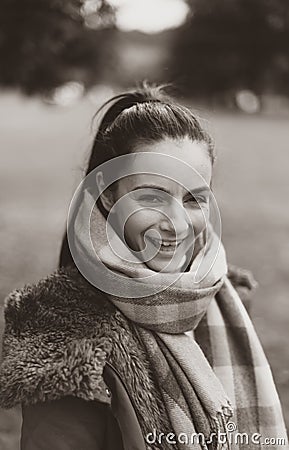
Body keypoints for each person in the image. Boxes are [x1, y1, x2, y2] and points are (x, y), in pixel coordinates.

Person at [0, 84, 287, 450]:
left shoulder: (224, 296)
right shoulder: (65, 338)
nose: (178, 224)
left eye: (194, 198)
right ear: (107, 193)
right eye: (152, 197)